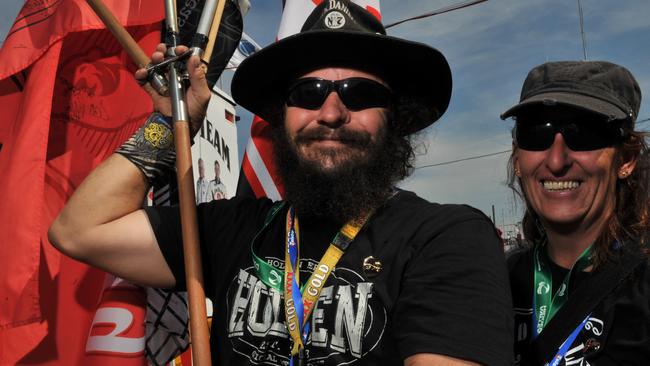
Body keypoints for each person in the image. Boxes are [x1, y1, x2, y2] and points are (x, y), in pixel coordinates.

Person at [49, 1, 513, 365]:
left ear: (394, 118)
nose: (331, 114)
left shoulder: (445, 237)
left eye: (361, 93)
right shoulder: (229, 228)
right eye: (307, 94)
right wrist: (169, 125)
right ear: (281, 118)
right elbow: (79, 230)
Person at [502, 61, 650, 365]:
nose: (557, 160)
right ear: (517, 158)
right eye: (536, 133)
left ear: (627, 159)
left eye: (584, 133)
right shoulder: (493, 282)